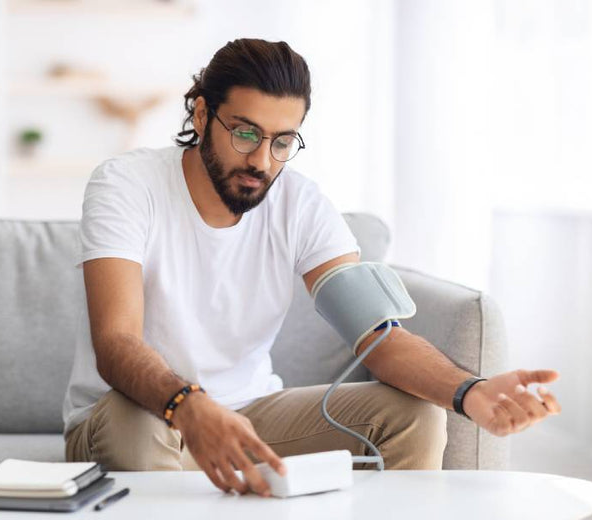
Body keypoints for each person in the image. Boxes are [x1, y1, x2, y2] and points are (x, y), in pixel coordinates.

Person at [62, 38, 562, 498]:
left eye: (282, 141)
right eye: (244, 133)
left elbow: (378, 338)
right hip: (135, 413)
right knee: (141, 421)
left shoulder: (300, 205)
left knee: (413, 414)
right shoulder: (127, 185)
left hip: (249, 411)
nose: (262, 161)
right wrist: (189, 407)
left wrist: (469, 392)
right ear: (200, 112)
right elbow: (116, 344)